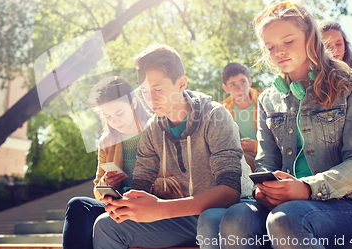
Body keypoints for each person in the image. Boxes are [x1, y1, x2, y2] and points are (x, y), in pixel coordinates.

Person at [219, 1, 352, 249]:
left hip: (348, 205)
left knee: (287, 220)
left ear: (310, 38)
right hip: (286, 207)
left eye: (288, 41)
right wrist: (264, 190)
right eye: (270, 47)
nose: (278, 51)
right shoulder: (268, 99)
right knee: (236, 218)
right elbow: (266, 162)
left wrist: (306, 188)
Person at [92, 44, 254, 249]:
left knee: (210, 219)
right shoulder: (152, 129)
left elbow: (230, 192)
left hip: (236, 207)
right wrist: (126, 204)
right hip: (187, 214)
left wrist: (160, 209)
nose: (151, 99)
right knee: (106, 226)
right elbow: (140, 185)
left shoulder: (215, 115)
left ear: (181, 84)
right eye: (144, 92)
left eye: (158, 89)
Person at [62, 76, 182, 249]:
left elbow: (182, 183)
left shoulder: (162, 130)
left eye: (119, 113)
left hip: (155, 207)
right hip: (120, 206)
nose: (115, 121)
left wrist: (151, 186)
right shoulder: (107, 141)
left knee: (103, 223)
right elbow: (97, 189)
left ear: (133, 103)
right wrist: (109, 183)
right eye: (108, 116)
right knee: (78, 205)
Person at [221, 62, 262, 171]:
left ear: (249, 81)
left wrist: (254, 145)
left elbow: (279, 140)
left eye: (242, 82)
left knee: (236, 165)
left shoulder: (264, 101)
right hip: (239, 153)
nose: (239, 88)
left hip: (264, 153)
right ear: (226, 88)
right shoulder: (223, 109)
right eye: (233, 84)